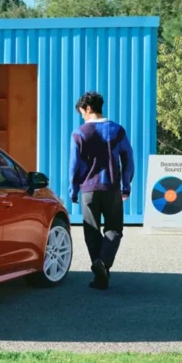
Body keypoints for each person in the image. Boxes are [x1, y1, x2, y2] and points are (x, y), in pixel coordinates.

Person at [69, 91, 134, 290]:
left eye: (81, 111)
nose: (81, 116)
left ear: (88, 108)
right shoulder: (117, 130)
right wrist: (126, 184)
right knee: (114, 229)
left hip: (88, 189)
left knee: (91, 231)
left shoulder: (79, 133)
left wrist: (73, 189)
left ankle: (100, 273)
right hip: (112, 188)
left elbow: (74, 165)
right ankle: (103, 264)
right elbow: (128, 158)